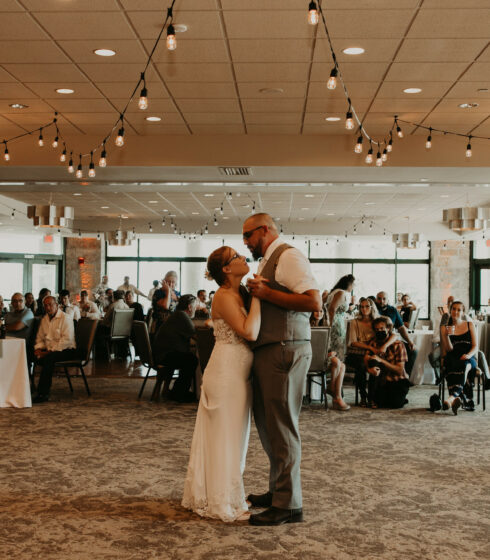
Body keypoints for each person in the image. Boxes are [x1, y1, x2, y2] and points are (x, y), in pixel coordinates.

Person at [242, 213, 321, 526]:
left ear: (265, 230)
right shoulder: (268, 260)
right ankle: (278, 491)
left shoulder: (288, 256)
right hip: (272, 350)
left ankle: (288, 504)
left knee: (282, 427)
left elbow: (313, 301)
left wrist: (266, 293)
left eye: (248, 235)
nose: (245, 243)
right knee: (270, 426)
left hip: (285, 350)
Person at [182, 246, 261, 522]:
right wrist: (260, 299)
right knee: (226, 436)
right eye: (236, 257)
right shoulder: (225, 296)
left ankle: (224, 493)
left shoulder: (239, 293)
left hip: (237, 371)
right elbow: (249, 331)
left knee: (235, 436)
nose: (243, 258)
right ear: (227, 269)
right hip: (226, 372)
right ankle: (221, 500)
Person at [346, 298, 396, 406]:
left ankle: (372, 397)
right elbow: (353, 342)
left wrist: (384, 346)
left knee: (375, 363)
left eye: (367, 306)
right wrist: (371, 348)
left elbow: (394, 334)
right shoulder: (355, 322)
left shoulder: (378, 321)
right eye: (362, 306)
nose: (364, 309)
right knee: (361, 365)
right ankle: (363, 396)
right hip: (356, 353)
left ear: (372, 307)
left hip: (374, 352)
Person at [153, 294, 198, 403]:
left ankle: (178, 391)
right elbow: (195, 336)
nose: (196, 309)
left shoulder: (178, 314)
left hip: (161, 353)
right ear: (189, 307)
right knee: (192, 360)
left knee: (189, 358)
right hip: (164, 355)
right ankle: (179, 393)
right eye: (195, 306)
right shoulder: (182, 316)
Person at [32, 296, 77, 403]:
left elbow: (67, 340)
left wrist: (48, 352)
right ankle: (27, 387)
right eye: (45, 305)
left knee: (49, 359)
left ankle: (43, 393)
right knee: (28, 354)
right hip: (49, 351)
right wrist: (38, 349)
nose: (48, 307)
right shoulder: (44, 319)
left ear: (56, 305)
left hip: (67, 350)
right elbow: (40, 338)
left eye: (50, 304)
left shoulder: (66, 318)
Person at [440, 301, 478, 414]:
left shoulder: (469, 324)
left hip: (468, 356)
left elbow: (476, 346)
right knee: (450, 364)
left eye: (459, 310)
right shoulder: (446, 327)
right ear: (450, 311)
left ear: (463, 312)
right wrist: (446, 335)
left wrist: (468, 355)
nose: (455, 312)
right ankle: (458, 399)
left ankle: (451, 398)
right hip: (453, 356)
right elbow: (449, 350)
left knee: (465, 365)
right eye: (453, 309)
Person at [364, 316, 410, 409]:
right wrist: (369, 369)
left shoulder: (398, 345)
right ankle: (373, 397)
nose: (379, 331)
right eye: (377, 329)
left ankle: (400, 397)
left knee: (394, 404)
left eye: (382, 328)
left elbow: (399, 370)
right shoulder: (374, 343)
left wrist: (381, 361)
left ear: (388, 329)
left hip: (398, 380)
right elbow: (366, 358)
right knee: (372, 361)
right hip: (383, 381)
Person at [375, 292, 417, 375]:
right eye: (379, 299)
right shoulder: (373, 310)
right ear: (376, 300)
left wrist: (410, 342)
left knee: (413, 351)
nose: (381, 301)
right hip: (378, 341)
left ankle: (405, 376)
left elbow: (401, 328)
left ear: (388, 300)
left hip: (391, 340)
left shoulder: (393, 310)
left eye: (384, 299)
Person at [325, 274, 355, 362]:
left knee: (334, 346)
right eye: (353, 284)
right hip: (336, 323)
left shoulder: (335, 291)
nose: (353, 287)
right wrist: (330, 325)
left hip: (337, 321)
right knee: (337, 346)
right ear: (349, 284)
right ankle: (337, 366)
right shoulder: (341, 293)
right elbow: (332, 309)